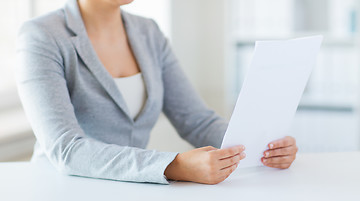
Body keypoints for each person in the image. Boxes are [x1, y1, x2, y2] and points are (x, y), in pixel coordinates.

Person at [16, 0, 298, 185]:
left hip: (131, 191)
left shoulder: (147, 31)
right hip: (61, 192)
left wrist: (260, 146)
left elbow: (196, 120)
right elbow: (67, 149)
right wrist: (173, 165)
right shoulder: (42, 36)